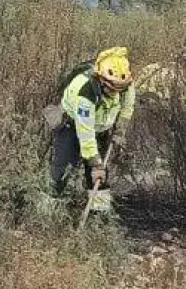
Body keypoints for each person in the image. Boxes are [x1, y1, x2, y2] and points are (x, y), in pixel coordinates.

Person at [50, 47, 135, 213]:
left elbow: (127, 107)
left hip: (101, 127)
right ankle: (51, 215)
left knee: (99, 177)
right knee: (62, 170)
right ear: (100, 80)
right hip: (73, 125)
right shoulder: (85, 93)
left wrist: (120, 129)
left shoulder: (124, 84)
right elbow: (86, 133)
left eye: (118, 89)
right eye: (110, 88)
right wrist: (95, 164)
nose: (114, 93)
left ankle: (99, 215)